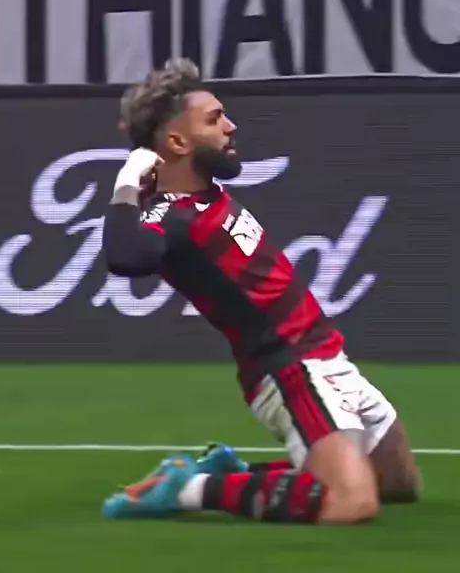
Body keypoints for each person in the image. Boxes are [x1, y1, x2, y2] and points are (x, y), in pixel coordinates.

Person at [101, 58, 420, 524]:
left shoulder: (207, 194)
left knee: (397, 482)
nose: (230, 127)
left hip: (327, 355)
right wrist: (128, 178)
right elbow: (126, 256)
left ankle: (232, 473)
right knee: (352, 502)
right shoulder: (169, 215)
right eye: (214, 120)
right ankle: (187, 489)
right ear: (177, 142)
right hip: (290, 367)